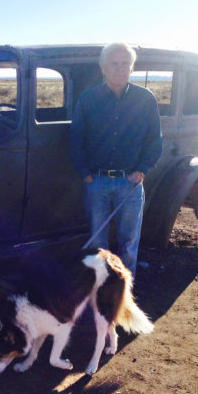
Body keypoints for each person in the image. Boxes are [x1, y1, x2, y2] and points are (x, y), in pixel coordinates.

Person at [69, 42, 162, 278]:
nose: (120, 69)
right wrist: (85, 173)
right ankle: (98, 290)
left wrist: (142, 170)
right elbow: (76, 138)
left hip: (130, 182)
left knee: (129, 241)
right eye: (114, 63)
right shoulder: (88, 99)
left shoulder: (145, 99)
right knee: (97, 244)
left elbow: (155, 140)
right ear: (103, 67)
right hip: (96, 181)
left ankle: (124, 295)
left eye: (125, 64)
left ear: (132, 68)